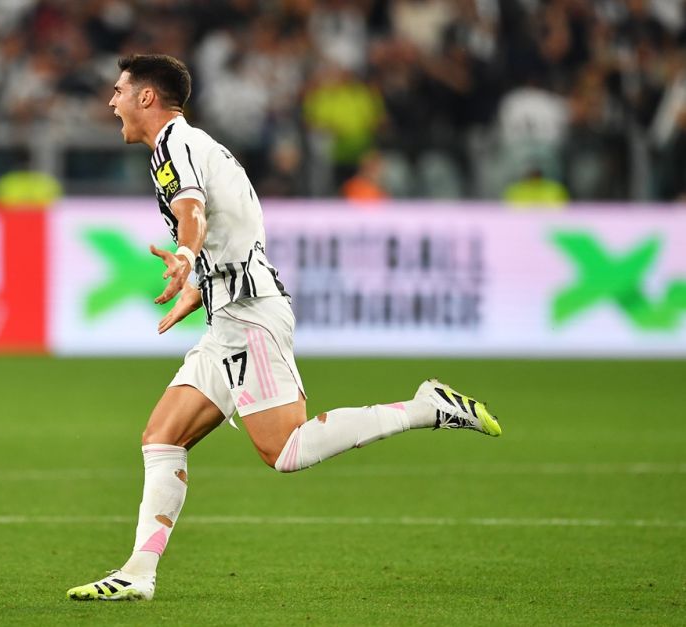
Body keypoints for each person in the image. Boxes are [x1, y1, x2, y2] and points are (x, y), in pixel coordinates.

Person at [67, 54, 502, 602]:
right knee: (162, 437)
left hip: (249, 315)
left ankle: (425, 407)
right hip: (230, 313)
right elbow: (235, 227)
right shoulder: (195, 145)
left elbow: (193, 213)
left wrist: (186, 255)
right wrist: (201, 286)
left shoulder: (175, 145)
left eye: (119, 91)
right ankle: (138, 573)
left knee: (286, 450)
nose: (112, 102)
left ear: (146, 97)